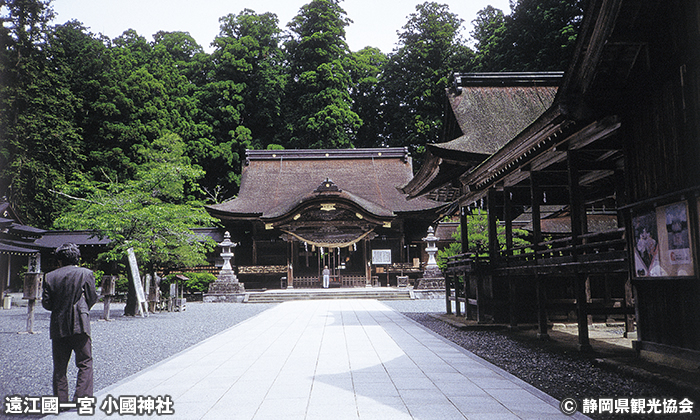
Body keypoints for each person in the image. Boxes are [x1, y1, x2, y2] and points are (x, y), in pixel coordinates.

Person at [42, 243, 98, 405]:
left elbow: (47, 304)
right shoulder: (86, 273)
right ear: (77, 257)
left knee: (59, 366)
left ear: (59, 259)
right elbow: (92, 296)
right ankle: (82, 399)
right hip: (80, 322)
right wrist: (83, 307)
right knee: (85, 362)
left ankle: (61, 401)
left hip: (58, 323)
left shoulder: (50, 276)